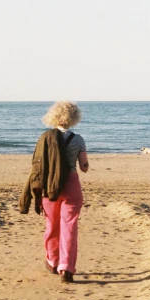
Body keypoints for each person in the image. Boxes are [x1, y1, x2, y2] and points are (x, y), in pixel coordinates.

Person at [41, 101, 89, 284]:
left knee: (52, 224)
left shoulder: (46, 137)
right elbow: (84, 167)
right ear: (74, 118)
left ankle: (52, 261)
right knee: (69, 225)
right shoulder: (78, 139)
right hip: (71, 182)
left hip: (50, 185)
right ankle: (67, 268)